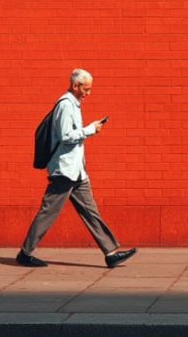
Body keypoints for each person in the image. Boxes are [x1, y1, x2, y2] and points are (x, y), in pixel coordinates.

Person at [16, 69, 137, 268]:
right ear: (75, 86)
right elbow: (66, 136)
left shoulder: (74, 105)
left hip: (77, 171)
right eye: (86, 89)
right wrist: (90, 130)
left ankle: (111, 252)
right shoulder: (65, 105)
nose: (88, 93)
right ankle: (25, 253)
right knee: (48, 213)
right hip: (64, 171)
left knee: (91, 212)